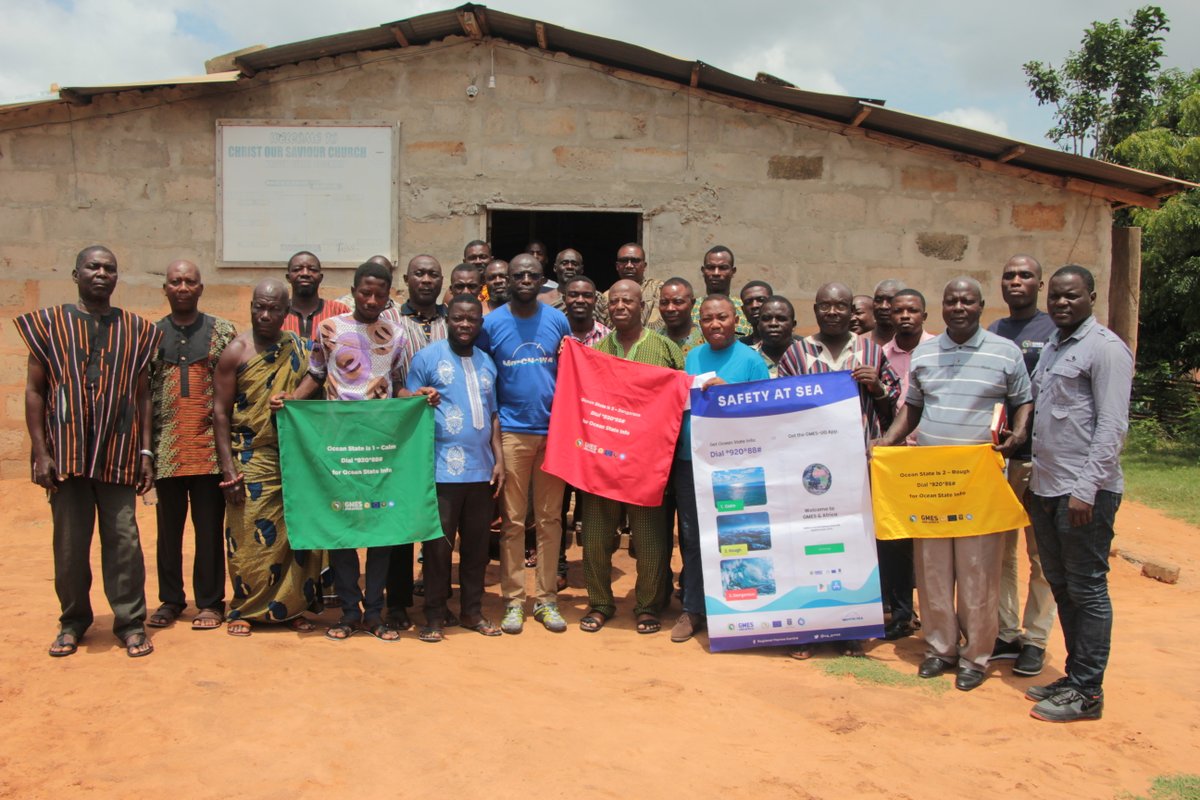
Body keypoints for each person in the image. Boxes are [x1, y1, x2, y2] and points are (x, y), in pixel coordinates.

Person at [874, 277, 1032, 691]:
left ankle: (976, 656)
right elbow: (913, 408)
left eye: (967, 301)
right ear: (941, 308)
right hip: (930, 478)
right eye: (951, 301)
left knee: (978, 570)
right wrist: (886, 442)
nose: (959, 307)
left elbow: (1023, 399)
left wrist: (1017, 434)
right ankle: (940, 648)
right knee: (933, 569)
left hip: (979, 480)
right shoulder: (926, 353)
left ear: (981, 306)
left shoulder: (1005, 351)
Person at [278, 262, 438, 642]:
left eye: (379, 294)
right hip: (338, 443)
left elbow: (396, 384)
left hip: (383, 445)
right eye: (365, 292)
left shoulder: (395, 334)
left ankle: (375, 614)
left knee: (380, 527)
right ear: (353, 291)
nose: (371, 299)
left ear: (387, 298)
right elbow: (316, 374)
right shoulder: (330, 329)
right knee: (344, 526)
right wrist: (292, 402)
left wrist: (414, 398)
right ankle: (349, 612)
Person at [17, 245, 162, 658]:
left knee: (124, 541)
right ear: (76, 273)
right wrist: (40, 453)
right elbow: (34, 390)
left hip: (119, 453)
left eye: (109, 268)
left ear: (117, 278)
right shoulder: (49, 325)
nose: (101, 273)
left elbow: (143, 395)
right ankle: (73, 622)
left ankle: (131, 623)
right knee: (69, 544)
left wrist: (146, 452)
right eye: (93, 267)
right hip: (67, 455)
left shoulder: (136, 330)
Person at [1024, 265, 1132, 723]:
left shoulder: (1106, 350)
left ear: (1091, 296)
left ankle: (1089, 692)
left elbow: (1112, 427)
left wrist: (1086, 490)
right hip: (1046, 487)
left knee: (1087, 588)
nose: (1062, 303)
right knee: (1063, 584)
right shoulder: (1052, 346)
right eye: (1056, 297)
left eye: (1072, 296)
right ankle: (1074, 676)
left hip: (1083, 494)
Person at [778, 282, 900, 659]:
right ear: (814, 309)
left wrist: (877, 388)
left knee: (854, 549)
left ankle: (850, 628)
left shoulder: (871, 352)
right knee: (806, 547)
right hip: (807, 473)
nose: (832, 312)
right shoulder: (797, 353)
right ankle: (807, 630)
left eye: (840, 306)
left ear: (852, 311)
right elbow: (777, 412)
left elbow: (896, 412)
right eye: (825, 306)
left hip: (855, 473)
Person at [213, 279, 323, 637]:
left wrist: (294, 396)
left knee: (296, 536)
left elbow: (318, 381)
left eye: (274, 308)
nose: (265, 314)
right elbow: (219, 413)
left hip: (295, 457)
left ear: (286, 311)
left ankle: (291, 609)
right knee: (249, 537)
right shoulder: (236, 352)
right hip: (251, 456)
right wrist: (228, 469)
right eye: (259, 307)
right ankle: (245, 609)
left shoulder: (301, 349)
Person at [578, 281, 685, 634]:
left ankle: (647, 606)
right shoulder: (595, 351)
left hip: (646, 465)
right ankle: (600, 603)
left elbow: (681, 399)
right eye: (615, 301)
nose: (620, 306)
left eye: (629, 300)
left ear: (643, 306)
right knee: (594, 538)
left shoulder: (665, 349)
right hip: (603, 462)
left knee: (651, 540)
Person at [478, 254, 572, 634]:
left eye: (533, 275)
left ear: (542, 280)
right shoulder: (491, 324)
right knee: (514, 522)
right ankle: (514, 601)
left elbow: (569, 370)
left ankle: (547, 601)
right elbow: (484, 376)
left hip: (554, 432)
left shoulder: (556, 320)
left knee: (550, 520)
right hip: (512, 433)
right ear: (507, 280)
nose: (525, 280)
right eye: (518, 275)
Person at [670, 295, 771, 643]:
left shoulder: (751, 360)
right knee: (693, 537)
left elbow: (764, 414)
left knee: (736, 535)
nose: (715, 324)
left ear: (736, 321)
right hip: (691, 461)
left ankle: (740, 607)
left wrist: (733, 395)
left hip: (735, 465)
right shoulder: (693, 357)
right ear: (700, 324)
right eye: (708, 319)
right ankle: (694, 607)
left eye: (722, 318)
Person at [406, 294, 505, 640]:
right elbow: (403, 396)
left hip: (481, 471)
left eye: (472, 320)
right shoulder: (427, 358)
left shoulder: (487, 362)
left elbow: (493, 415)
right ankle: (434, 615)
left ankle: (472, 612)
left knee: (477, 548)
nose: (465, 325)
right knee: (438, 547)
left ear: (480, 323)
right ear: (448, 319)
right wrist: (418, 395)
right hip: (442, 470)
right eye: (459, 318)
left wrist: (500, 460)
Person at [146, 260, 237, 632]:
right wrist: (146, 452)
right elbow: (144, 397)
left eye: (190, 281)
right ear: (165, 288)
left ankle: (211, 602)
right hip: (167, 448)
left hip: (209, 449)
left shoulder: (222, 332)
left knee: (209, 529)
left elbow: (232, 394)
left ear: (201, 288)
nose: (182, 287)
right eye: (175, 281)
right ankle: (170, 600)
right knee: (168, 531)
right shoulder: (149, 336)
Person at [988, 255, 1059, 677]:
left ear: (1040, 284)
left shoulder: (1054, 331)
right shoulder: (994, 332)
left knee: (1042, 554)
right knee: (1001, 551)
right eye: (1009, 275)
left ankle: (1035, 639)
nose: (1016, 281)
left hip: (1041, 459)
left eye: (1025, 275)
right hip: (999, 461)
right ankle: (1006, 631)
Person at [877, 288, 936, 640]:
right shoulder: (880, 355)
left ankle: (937, 616)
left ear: (924, 316)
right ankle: (901, 613)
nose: (904, 316)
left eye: (912, 310)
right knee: (896, 540)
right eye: (898, 310)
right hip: (894, 457)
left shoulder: (941, 350)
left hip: (933, 454)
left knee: (932, 539)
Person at [282, 251, 349, 348]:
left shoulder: (339, 311)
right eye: (297, 269)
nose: (305, 273)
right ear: (288, 277)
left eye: (312, 269)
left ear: (321, 277)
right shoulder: (276, 312)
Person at [595, 243, 663, 328]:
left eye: (635, 261)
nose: (629, 266)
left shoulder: (659, 289)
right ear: (617, 266)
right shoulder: (606, 296)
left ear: (644, 266)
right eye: (624, 261)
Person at [691, 246, 752, 336]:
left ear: (733, 271)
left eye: (723, 267)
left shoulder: (744, 310)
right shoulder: (691, 309)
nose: (716, 273)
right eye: (711, 267)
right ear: (703, 271)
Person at [653, 277, 705, 357]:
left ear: (692, 303)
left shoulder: (706, 339)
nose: (670, 308)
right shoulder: (653, 341)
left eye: (678, 302)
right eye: (664, 302)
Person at [751, 296, 798, 377]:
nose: (773, 323)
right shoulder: (745, 357)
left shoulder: (807, 354)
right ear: (758, 325)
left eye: (781, 319)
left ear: (793, 325)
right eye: (766, 318)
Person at [870, 279, 905, 347]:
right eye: (878, 300)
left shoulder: (918, 344)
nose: (884, 306)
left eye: (891, 300)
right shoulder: (860, 342)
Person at [738, 280, 774, 345]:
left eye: (761, 300)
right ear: (743, 310)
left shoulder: (794, 346)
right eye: (748, 302)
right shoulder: (739, 346)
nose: (754, 305)